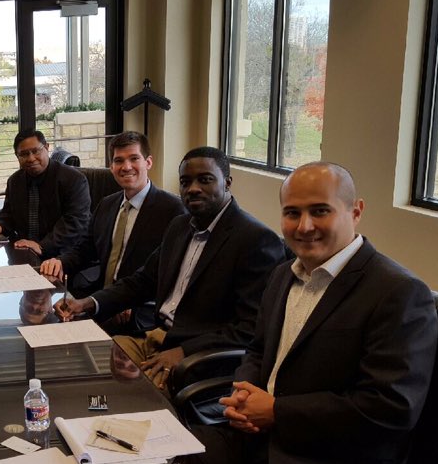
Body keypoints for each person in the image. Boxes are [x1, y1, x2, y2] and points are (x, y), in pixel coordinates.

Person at [178, 162, 438, 464]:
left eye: (320, 211)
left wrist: (277, 412)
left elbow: (390, 408)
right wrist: (245, 392)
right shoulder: (283, 275)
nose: (304, 226)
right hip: (258, 440)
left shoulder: (398, 293)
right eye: (292, 213)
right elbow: (258, 349)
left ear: (355, 211)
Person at [55, 146, 285, 390]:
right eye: (185, 182)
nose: (193, 188)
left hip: (198, 357)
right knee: (84, 364)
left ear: (227, 182)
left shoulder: (255, 240)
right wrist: (87, 303)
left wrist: (184, 351)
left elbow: (250, 328)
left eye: (205, 180)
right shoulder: (180, 226)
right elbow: (142, 281)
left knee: (122, 393)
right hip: (155, 337)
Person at [40, 131, 185, 330]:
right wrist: (60, 262)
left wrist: (135, 304)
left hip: (139, 312)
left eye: (134, 158)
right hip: (100, 300)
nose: (126, 167)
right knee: (47, 325)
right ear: (112, 167)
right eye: (119, 161)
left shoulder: (173, 210)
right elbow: (85, 249)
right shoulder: (107, 204)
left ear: (148, 162)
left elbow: (170, 275)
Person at [0, 128, 90, 258]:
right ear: (17, 156)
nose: (31, 158)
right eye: (24, 154)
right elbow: (8, 213)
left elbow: (75, 222)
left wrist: (42, 245)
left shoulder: (73, 179)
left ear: (47, 147)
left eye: (36, 151)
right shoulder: (15, 181)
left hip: (64, 255)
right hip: (25, 250)